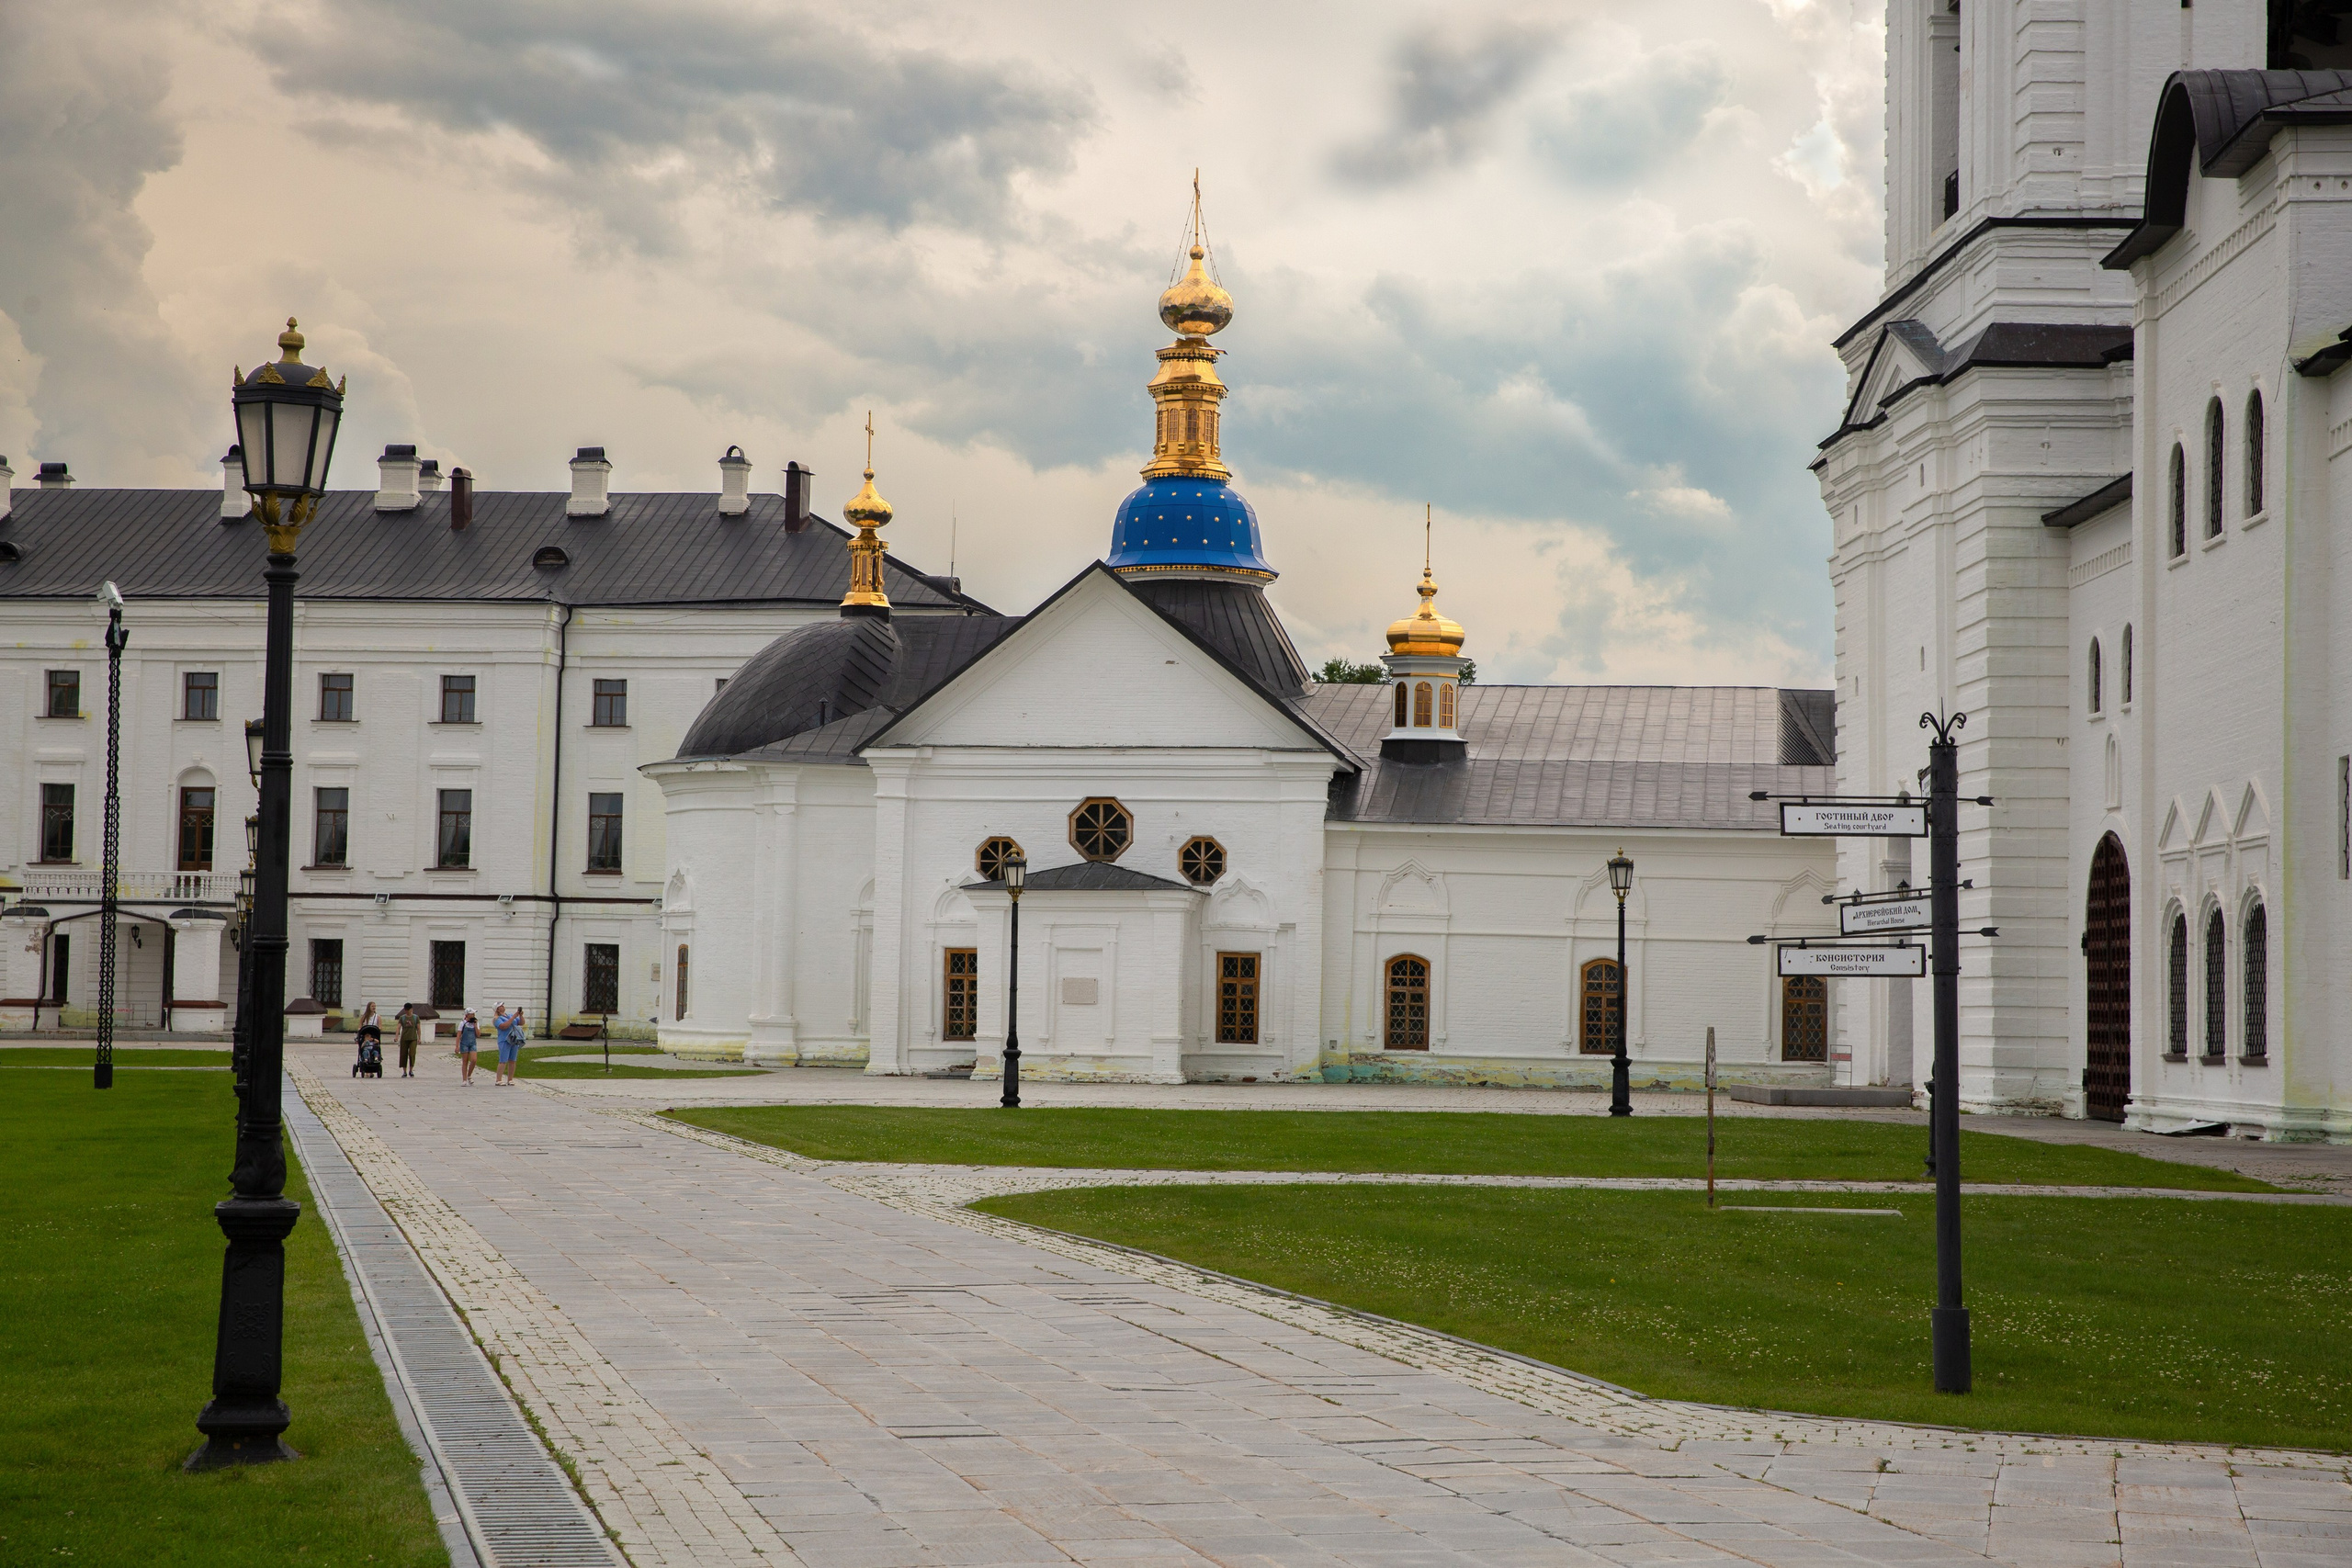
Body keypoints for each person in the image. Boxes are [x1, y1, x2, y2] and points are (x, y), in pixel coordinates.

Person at [493, 1006, 526, 1085]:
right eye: (501, 1006)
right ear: (497, 1009)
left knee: (512, 1060)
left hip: (514, 1039)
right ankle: (499, 1079)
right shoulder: (497, 1019)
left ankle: (510, 1079)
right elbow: (504, 1026)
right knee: (503, 1060)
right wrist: (514, 1017)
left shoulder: (510, 1015)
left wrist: (520, 1015)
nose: (503, 1007)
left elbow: (521, 1023)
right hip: (504, 1040)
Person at [395, 1002, 421, 1077]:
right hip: (404, 1038)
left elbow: (418, 1028)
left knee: (412, 1054)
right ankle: (404, 1071)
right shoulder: (402, 1018)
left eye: (408, 1010)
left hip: (413, 1038)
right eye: (406, 1010)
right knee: (403, 1054)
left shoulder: (416, 1018)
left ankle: (411, 1070)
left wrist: (419, 1038)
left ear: (411, 1009)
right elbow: (398, 1027)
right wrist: (396, 1036)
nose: (407, 1011)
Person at [457, 1010, 480, 1085]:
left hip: (473, 1043)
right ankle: (464, 1079)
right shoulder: (463, 1023)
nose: (473, 1015)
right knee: (465, 1061)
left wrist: (475, 1026)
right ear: (467, 1015)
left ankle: (469, 1075)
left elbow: (478, 1035)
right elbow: (459, 1035)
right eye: (471, 1014)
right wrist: (457, 1046)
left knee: (474, 1060)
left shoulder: (475, 1023)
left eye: (473, 1014)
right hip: (464, 1043)